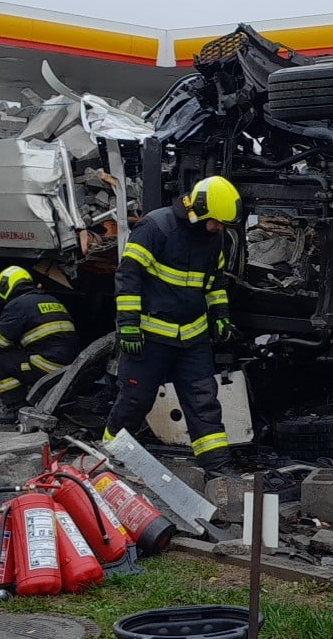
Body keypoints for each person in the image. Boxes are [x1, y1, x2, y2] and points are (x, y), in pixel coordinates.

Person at [102, 175, 241, 475]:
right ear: (199, 209)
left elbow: (214, 284)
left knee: (204, 403)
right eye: (216, 221)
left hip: (192, 339)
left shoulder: (213, 238)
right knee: (135, 400)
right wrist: (128, 324)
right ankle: (109, 459)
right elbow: (128, 276)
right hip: (149, 337)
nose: (219, 228)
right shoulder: (155, 227)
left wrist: (220, 316)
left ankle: (218, 469)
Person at [0, 264, 80, 424]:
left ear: (6, 287)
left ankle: (14, 408)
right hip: (69, 370)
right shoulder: (51, 300)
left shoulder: (17, 305)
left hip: (46, 367)